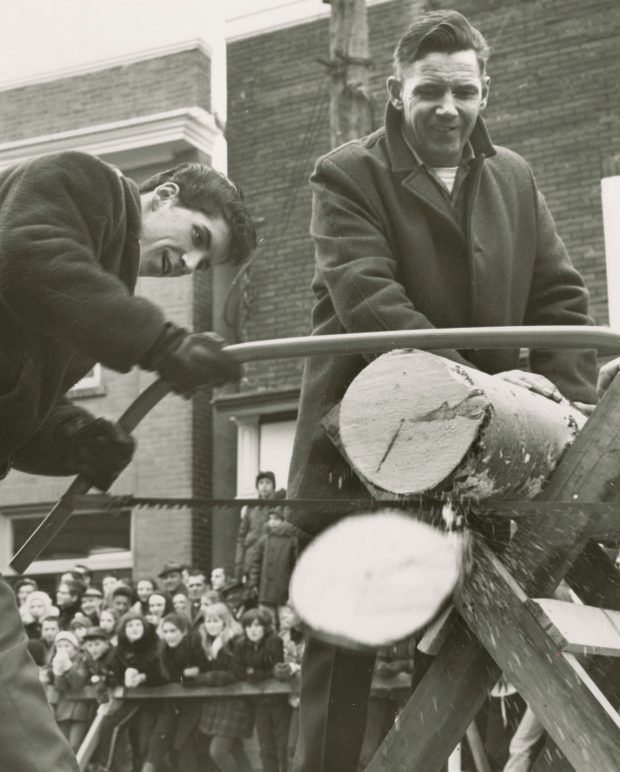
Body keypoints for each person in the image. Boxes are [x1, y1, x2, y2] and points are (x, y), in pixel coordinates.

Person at [286, 10, 598, 772]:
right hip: (362, 445)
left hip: (481, 463)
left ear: (485, 92)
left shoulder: (515, 179)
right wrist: (495, 392)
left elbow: (559, 299)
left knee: (456, 654)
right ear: (397, 93)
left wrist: (559, 406)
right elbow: (372, 304)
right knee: (343, 657)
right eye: (430, 91)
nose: (448, 108)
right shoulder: (346, 174)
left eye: (464, 90)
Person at [0, 152, 254, 772]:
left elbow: (22, 399)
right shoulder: (86, 183)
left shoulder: (98, 282)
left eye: (202, 263)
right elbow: (26, 257)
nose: (187, 265)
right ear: (163, 196)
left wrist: (77, 438)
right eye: (197, 238)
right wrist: (161, 344)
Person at [188, 602, 254, 772]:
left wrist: (201, 678)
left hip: (236, 702)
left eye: (216, 621)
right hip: (217, 702)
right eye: (208, 621)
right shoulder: (206, 643)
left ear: (225, 622)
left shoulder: (236, 641)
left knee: (218, 751)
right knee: (234, 749)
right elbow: (195, 671)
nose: (211, 625)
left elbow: (234, 674)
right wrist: (187, 677)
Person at [233, 607, 289, 772]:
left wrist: (253, 671)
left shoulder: (274, 640)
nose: (253, 630)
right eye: (249, 626)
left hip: (279, 702)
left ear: (265, 627)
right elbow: (238, 670)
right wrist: (257, 673)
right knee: (266, 748)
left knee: (282, 747)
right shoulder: (240, 644)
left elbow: (275, 668)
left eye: (257, 625)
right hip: (258, 703)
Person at [235, 472, 285, 584]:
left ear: (273, 486)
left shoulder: (279, 508)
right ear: (257, 486)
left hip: (270, 559)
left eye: (268, 483)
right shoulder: (251, 508)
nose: (264, 486)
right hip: (251, 559)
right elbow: (241, 537)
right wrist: (239, 563)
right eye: (261, 483)